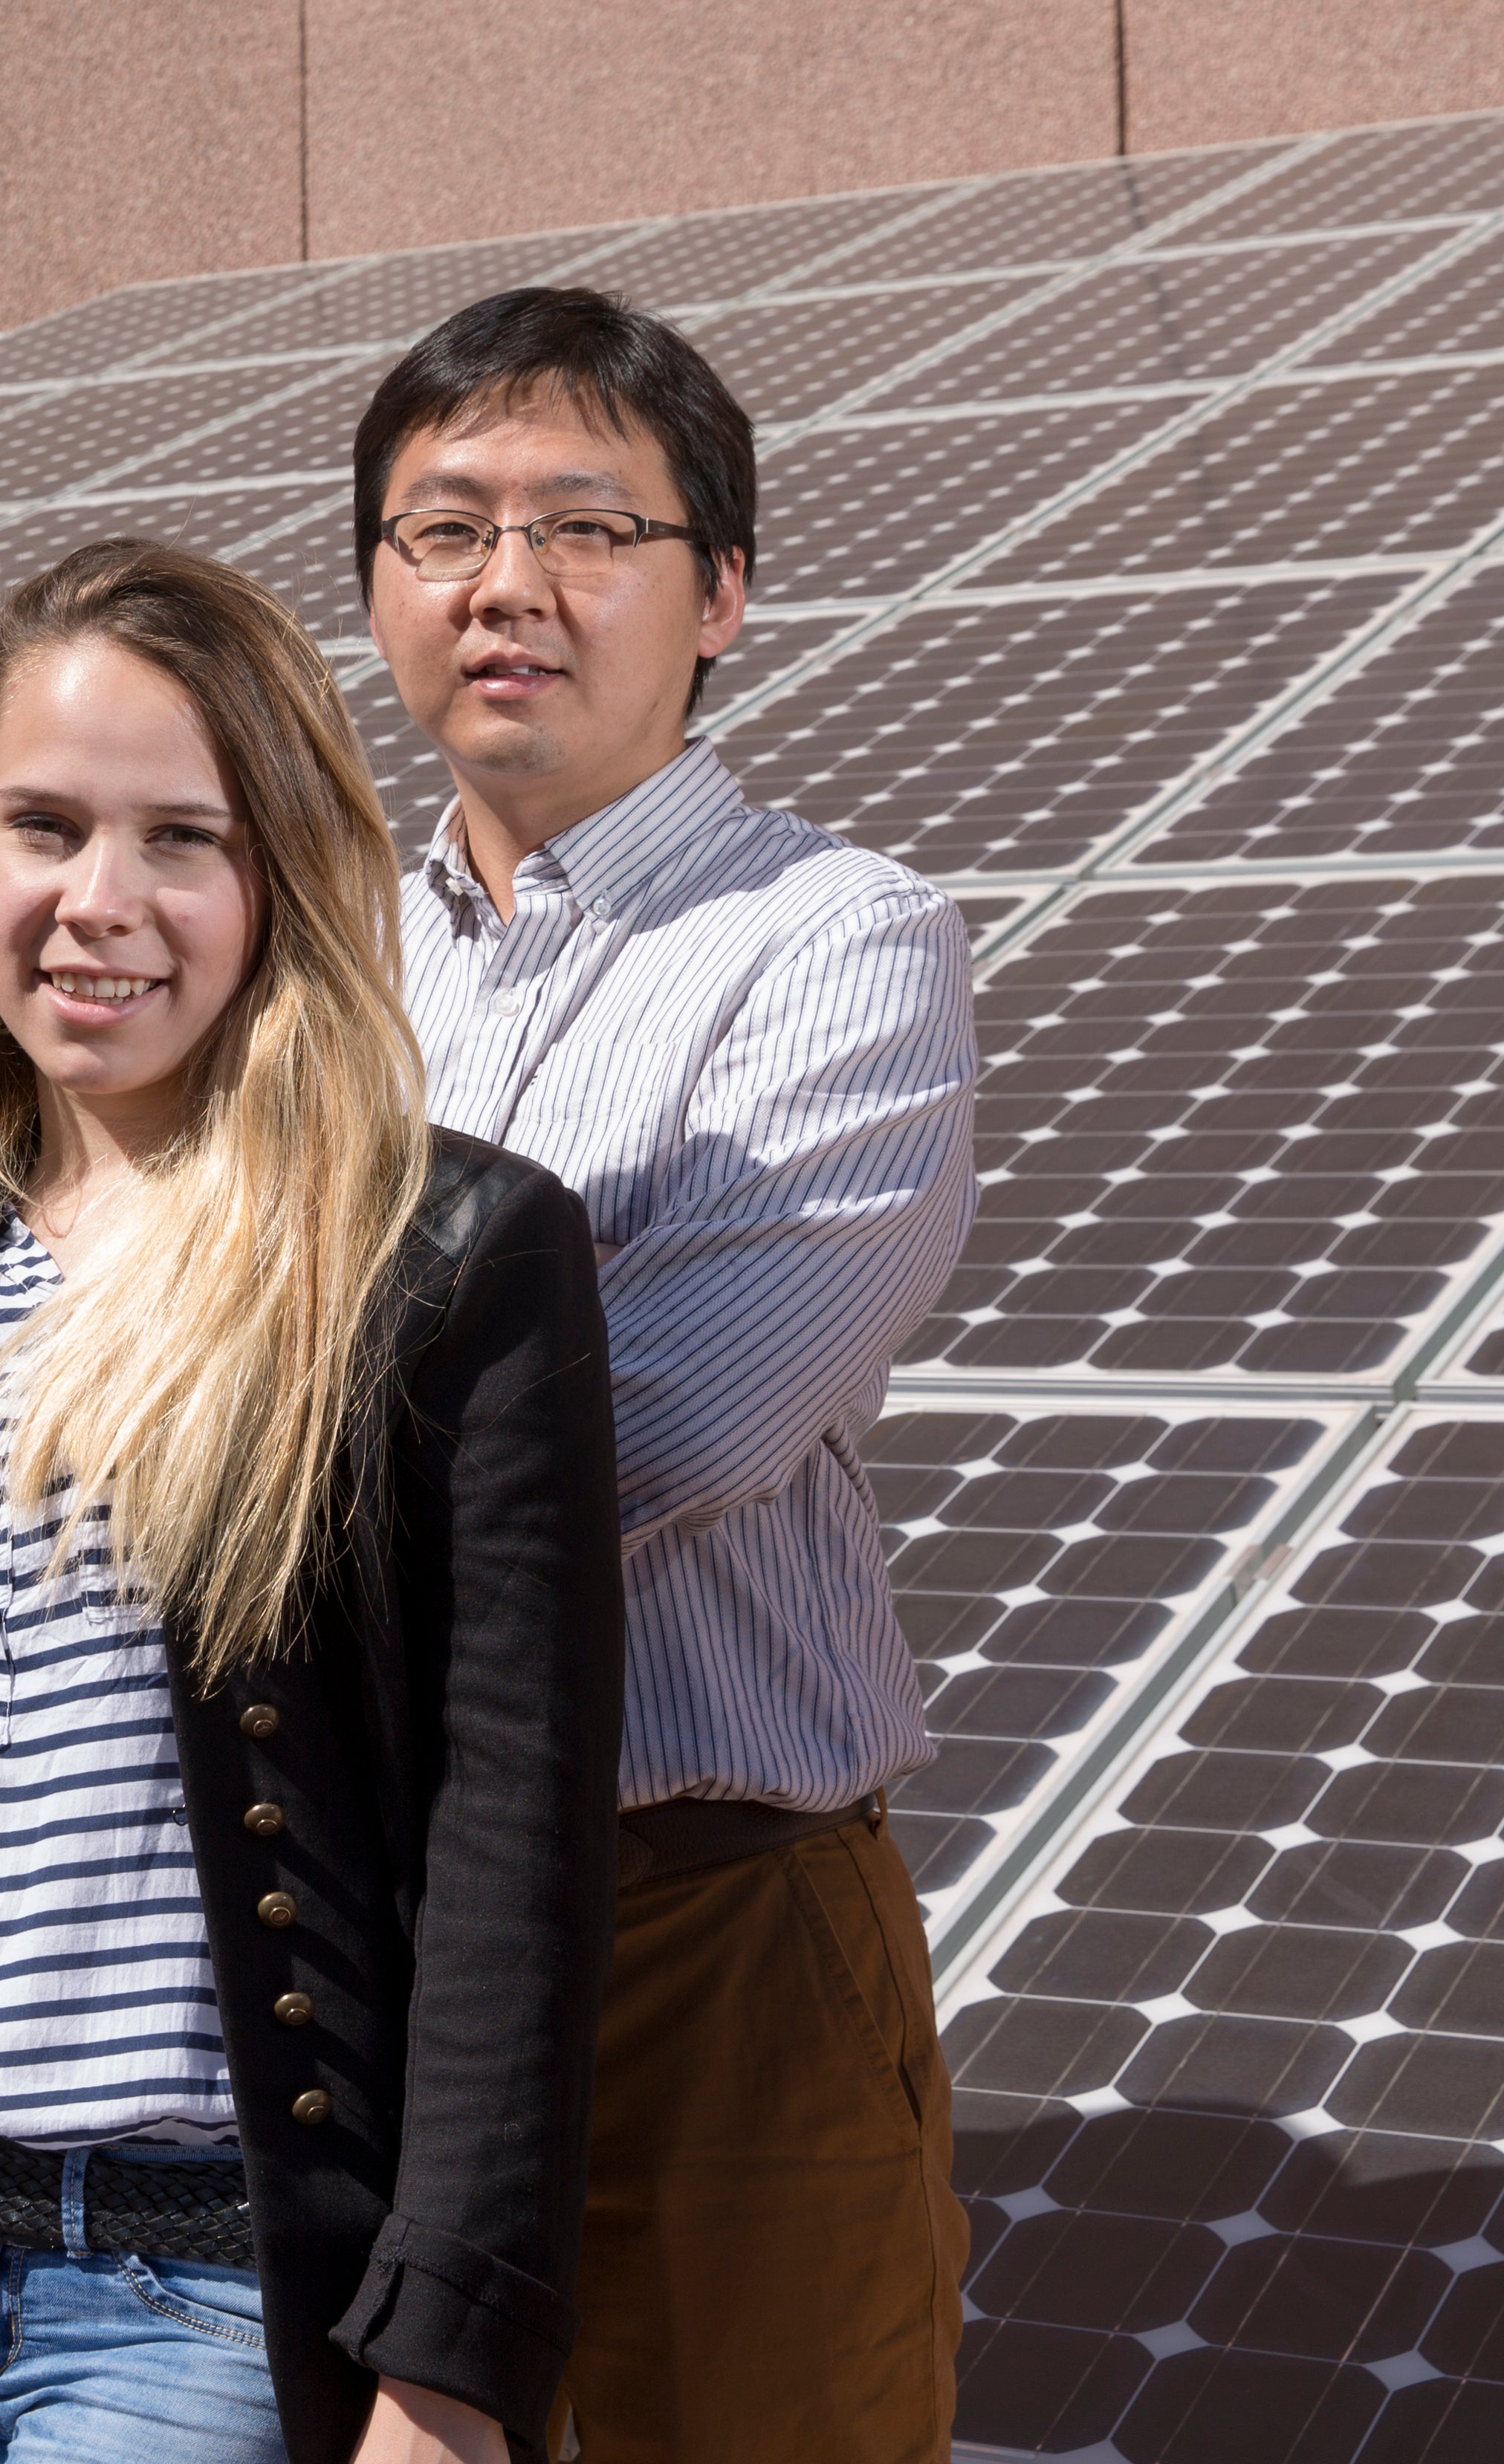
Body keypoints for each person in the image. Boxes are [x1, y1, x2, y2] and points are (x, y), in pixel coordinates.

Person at [0, 539, 625, 2464]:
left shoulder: (439, 1262)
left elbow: (514, 1854)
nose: (100, 903)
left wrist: (448, 2368)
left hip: (188, 2307)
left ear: (281, 881)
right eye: (44, 827)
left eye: (181, 838)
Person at [351, 286, 979, 2463]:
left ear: (720, 593)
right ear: (376, 589)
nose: (506, 586)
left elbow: (679, 1422)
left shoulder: (834, 941)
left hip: (699, 1921)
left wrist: (227, 1470)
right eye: (444, 531)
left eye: (585, 527)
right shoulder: (300, 946)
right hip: (362, 1911)